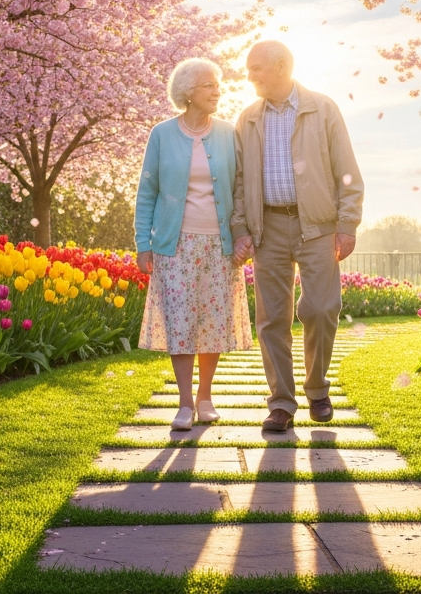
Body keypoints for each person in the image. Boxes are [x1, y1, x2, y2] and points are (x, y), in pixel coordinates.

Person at [230, 40, 364, 432]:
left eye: (256, 68)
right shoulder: (248, 119)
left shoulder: (322, 109)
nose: (249, 75)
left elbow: (348, 172)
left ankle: (317, 389)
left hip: (318, 226)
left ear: (282, 65)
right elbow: (239, 182)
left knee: (322, 308)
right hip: (267, 226)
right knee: (272, 318)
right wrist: (241, 227)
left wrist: (347, 222)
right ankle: (281, 404)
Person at [135, 57, 253, 430]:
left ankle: (206, 397)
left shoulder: (227, 133)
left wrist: (240, 234)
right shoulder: (162, 134)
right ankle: (184, 403)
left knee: (213, 322)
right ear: (188, 92)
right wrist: (143, 242)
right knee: (182, 323)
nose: (217, 91)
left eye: (218, 85)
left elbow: (239, 188)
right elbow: (147, 192)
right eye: (208, 86)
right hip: (175, 245)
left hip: (218, 245)